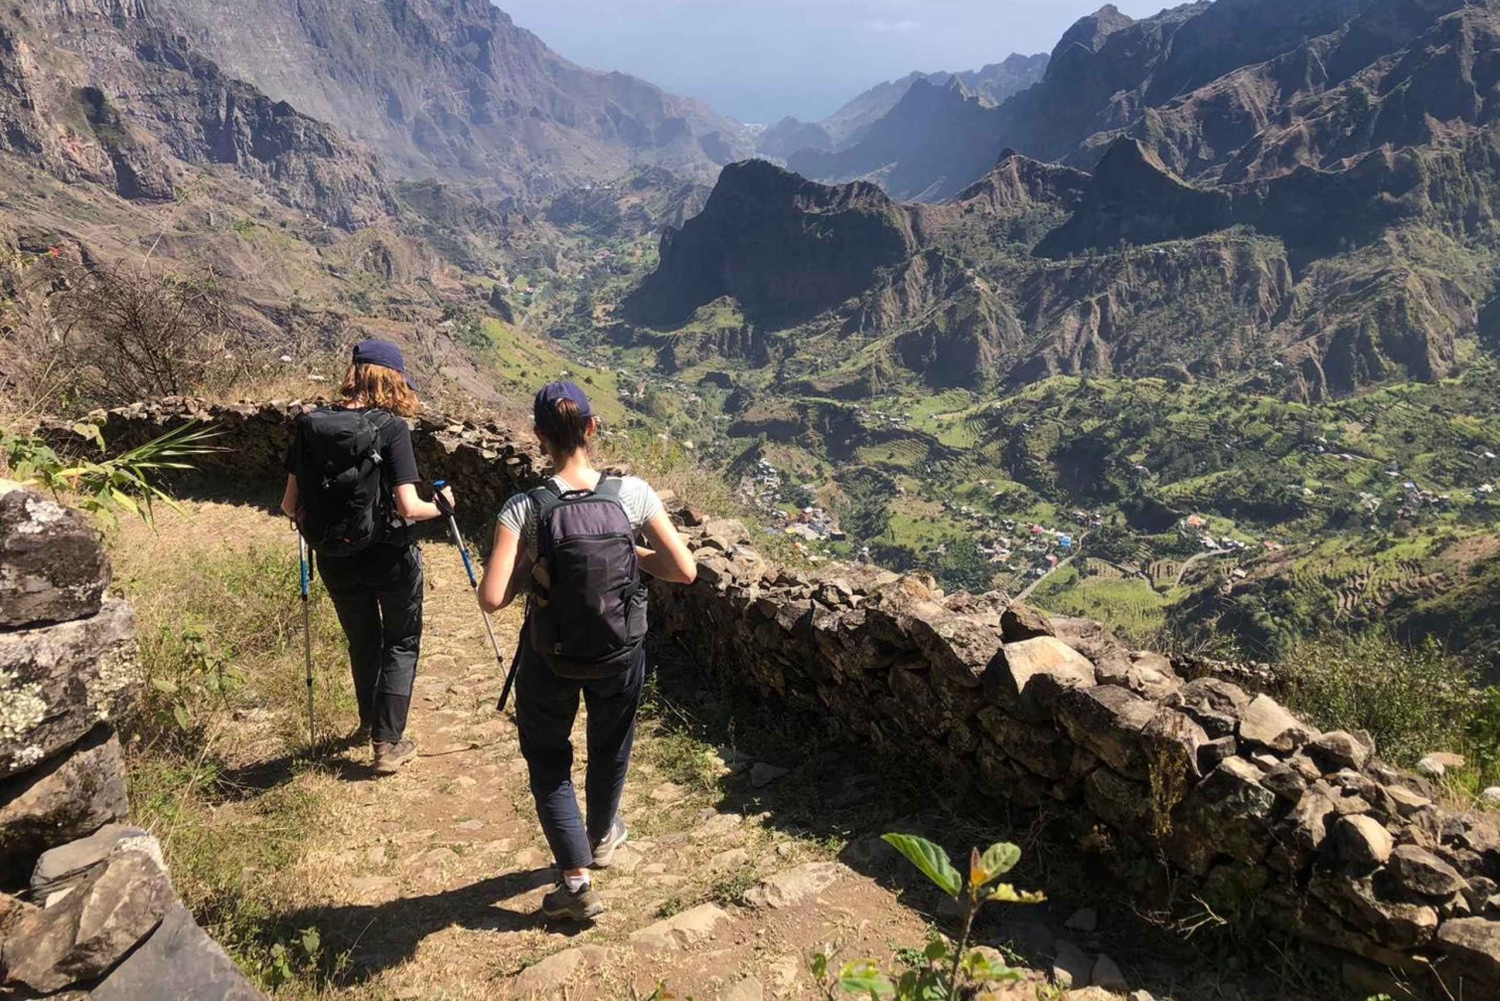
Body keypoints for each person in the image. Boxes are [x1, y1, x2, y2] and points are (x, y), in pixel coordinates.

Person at [479, 381, 696, 920]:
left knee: (549, 759)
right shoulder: (633, 495)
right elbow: (684, 571)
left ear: (538, 437)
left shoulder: (525, 508)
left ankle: (575, 885)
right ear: (592, 429)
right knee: (610, 746)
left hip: (550, 654)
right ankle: (601, 837)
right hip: (621, 651)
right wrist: (631, 552)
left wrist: (540, 565)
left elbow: (492, 598)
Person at [280, 339, 455, 775]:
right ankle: (387, 742)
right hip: (389, 555)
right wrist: (445, 507)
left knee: (362, 639)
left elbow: (288, 504)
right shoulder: (391, 428)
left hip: (334, 557)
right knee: (400, 640)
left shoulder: (310, 425)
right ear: (393, 380)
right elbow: (410, 507)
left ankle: (367, 721)